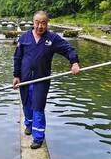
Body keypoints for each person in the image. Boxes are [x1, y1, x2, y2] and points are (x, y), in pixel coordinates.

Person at [12, 10, 80, 149]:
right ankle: (29, 125)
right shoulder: (24, 38)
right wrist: (16, 75)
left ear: (47, 23)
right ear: (33, 22)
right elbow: (17, 58)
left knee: (38, 107)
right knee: (26, 103)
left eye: (43, 23)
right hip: (25, 79)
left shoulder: (52, 38)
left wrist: (74, 62)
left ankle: (38, 138)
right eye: (37, 22)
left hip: (42, 79)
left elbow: (68, 49)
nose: (40, 26)